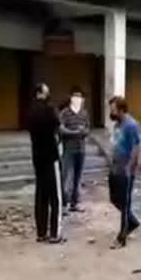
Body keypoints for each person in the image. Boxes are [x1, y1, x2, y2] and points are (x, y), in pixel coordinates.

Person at [27, 83, 66, 244]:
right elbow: (58, 129)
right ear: (39, 94)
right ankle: (55, 233)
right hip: (51, 158)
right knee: (55, 197)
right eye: (46, 92)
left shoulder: (30, 112)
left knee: (41, 196)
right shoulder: (49, 110)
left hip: (37, 158)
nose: (48, 94)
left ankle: (41, 232)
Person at [108, 96, 141, 249]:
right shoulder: (117, 124)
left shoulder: (131, 125)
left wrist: (130, 166)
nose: (111, 112)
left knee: (124, 203)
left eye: (113, 109)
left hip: (125, 170)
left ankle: (121, 238)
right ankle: (132, 222)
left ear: (121, 110)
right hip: (115, 167)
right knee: (114, 199)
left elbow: (136, 147)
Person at [59, 86, 90, 214]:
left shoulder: (84, 113)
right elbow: (60, 129)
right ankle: (63, 205)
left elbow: (88, 129)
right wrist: (74, 132)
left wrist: (83, 132)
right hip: (68, 150)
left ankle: (75, 203)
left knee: (78, 178)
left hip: (81, 149)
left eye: (79, 97)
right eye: (75, 96)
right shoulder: (65, 113)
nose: (77, 99)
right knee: (66, 177)